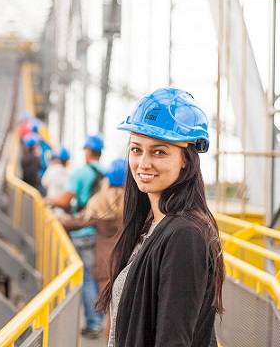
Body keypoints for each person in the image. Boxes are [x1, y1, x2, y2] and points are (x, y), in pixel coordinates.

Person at [96, 87, 225, 347]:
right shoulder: (151, 226)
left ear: (186, 160)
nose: (143, 163)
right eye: (136, 150)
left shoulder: (184, 236)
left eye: (159, 152)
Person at [57, 157, 126, 341]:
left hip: (105, 264)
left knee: (112, 313)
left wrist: (59, 220)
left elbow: (78, 222)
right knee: (127, 314)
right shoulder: (136, 204)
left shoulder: (100, 201)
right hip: (128, 262)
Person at [44, 134, 106, 338]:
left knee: (87, 278)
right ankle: (101, 320)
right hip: (102, 232)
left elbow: (65, 199)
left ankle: (93, 323)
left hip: (82, 231)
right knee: (97, 277)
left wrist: (50, 200)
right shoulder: (106, 174)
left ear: (88, 151)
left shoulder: (81, 173)